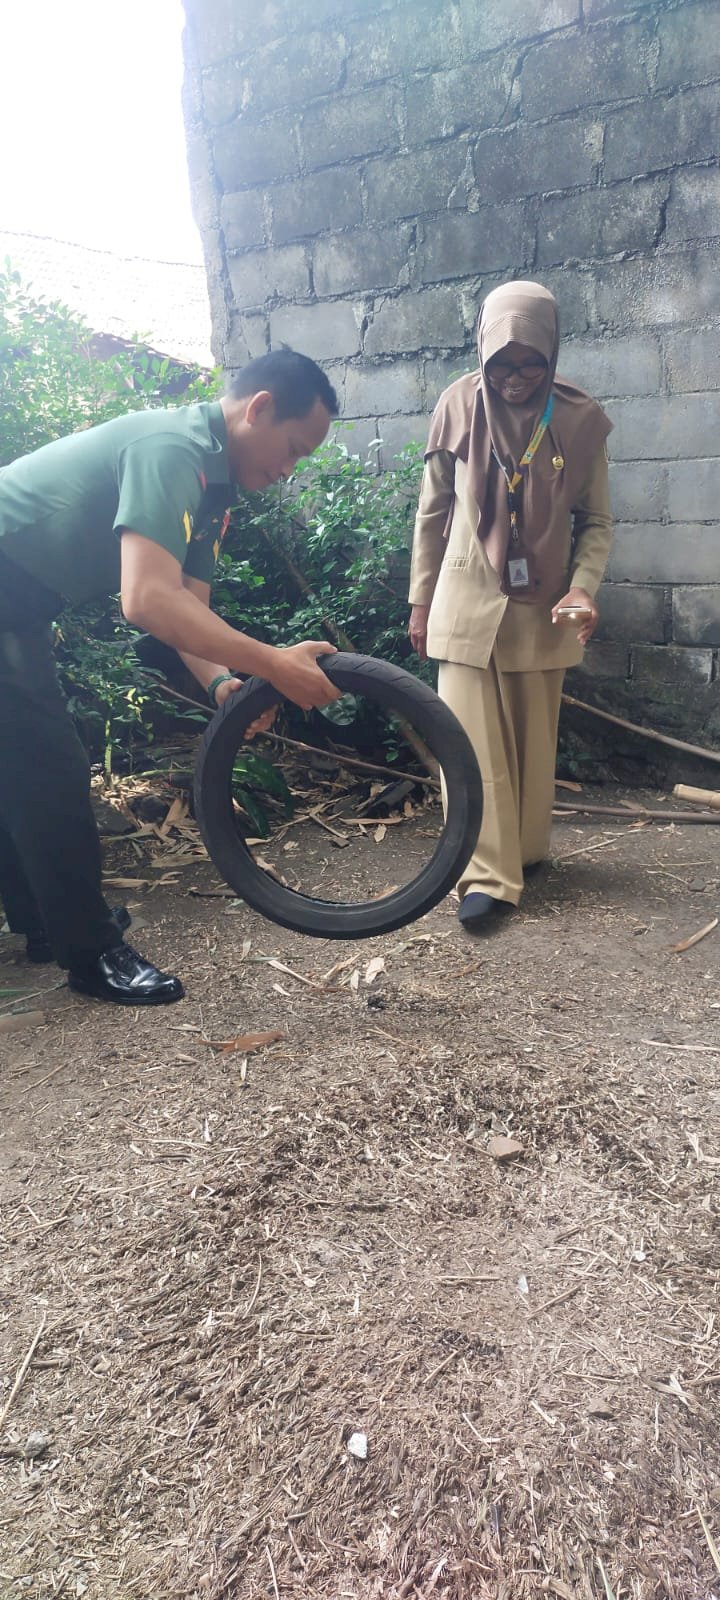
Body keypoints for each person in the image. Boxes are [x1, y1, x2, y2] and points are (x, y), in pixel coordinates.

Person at [0, 349, 342, 1002]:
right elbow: (146, 599)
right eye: (293, 449)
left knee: (20, 761)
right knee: (46, 766)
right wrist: (272, 662)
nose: (289, 469)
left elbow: (185, 609)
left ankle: (47, 921)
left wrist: (224, 686)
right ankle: (90, 953)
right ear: (259, 408)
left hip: (16, 604)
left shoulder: (214, 491)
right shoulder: (174, 449)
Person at [408, 281, 613, 931]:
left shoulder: (580, 419)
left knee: (531, 742)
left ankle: (523, 853)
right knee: (467, 744)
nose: (516, 377)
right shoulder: (457, 406)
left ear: (552, 352)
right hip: (466, 602)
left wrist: (584, 584)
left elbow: (598, 521)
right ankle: (485, 875)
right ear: (483, 352)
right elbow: (432, 513)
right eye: (502, 362)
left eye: (531, 363)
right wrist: (419, 601)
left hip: (544, 608)